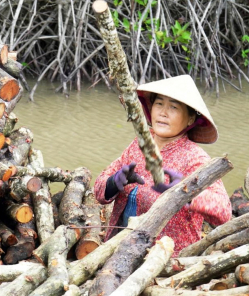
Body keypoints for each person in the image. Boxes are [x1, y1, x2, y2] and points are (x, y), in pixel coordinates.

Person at [94, 74, 232, 256]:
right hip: (117, 251)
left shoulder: (195, 158)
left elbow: (223, 212)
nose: (163, 112)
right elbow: (99, 191)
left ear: (190, 119)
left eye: (173, 107)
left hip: (165, 260)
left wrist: (187, 191)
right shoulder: (140, 143)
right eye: (159, 104)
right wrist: (115, 182)